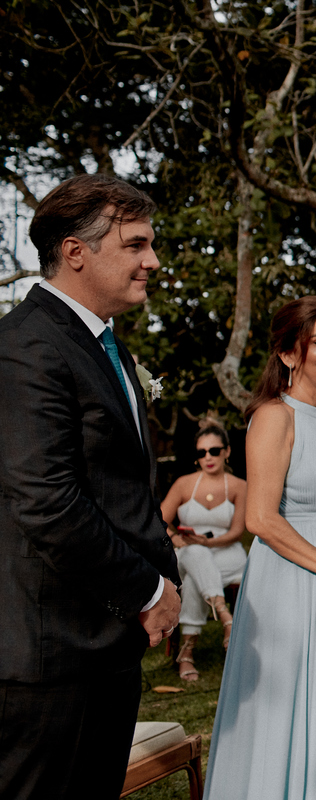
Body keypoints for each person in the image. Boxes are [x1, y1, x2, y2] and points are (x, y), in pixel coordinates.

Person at [0, 174, 181, 798]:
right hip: (51, 658)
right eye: (135, 245)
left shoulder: (109, 349)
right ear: (76, 251)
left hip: (107, 647)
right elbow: (47, 501)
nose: (152, 261)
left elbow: (121, 487)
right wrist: (148, 589)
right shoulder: (25, 348)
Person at [204, 296, 316, 800]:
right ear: (289, 354)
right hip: (292, 581)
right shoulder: (272, 417)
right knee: (291, 707)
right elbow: (261, 519)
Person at [159, 419, 248, 681]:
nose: (208, 457)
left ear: (227, 451)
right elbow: (161, 521)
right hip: (188, 551)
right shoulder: (184, 484)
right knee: (195, 557)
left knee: (195, 576)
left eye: (214, 451)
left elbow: (237, 532)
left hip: (227, 553)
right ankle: (225, 616)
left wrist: (209, 543)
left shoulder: (239, 485)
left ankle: (187, 651)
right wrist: (176, 538)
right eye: (201, 452)